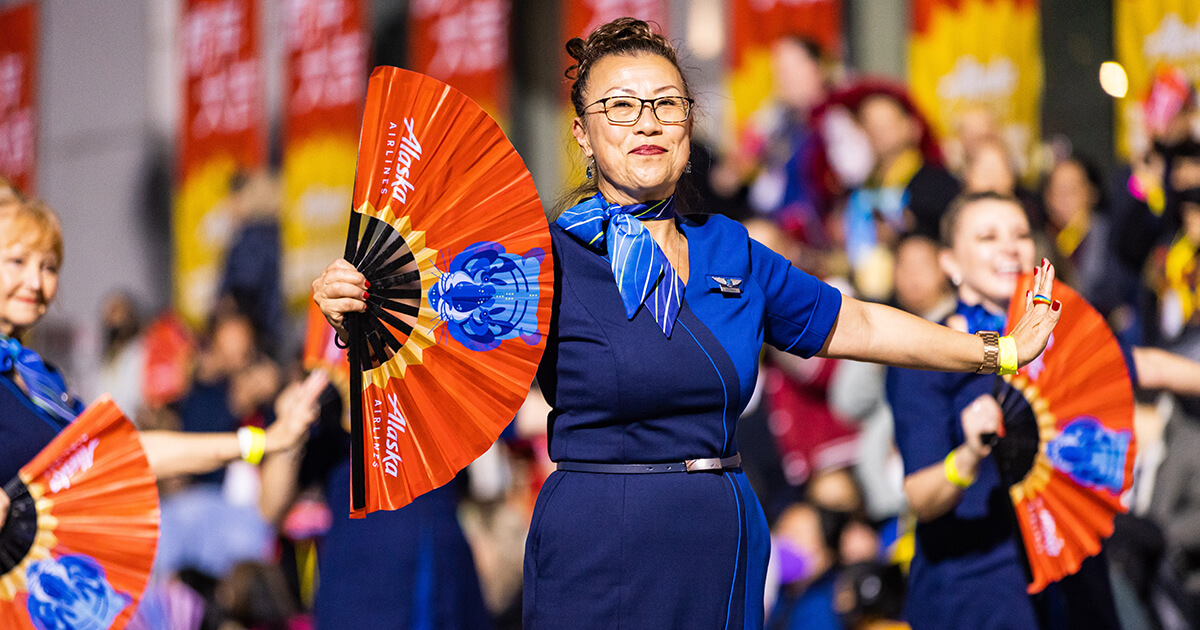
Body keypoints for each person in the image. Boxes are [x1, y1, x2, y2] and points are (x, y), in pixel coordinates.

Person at [312, 19, 1061, 629]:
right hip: (593, 543)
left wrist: (994, 350)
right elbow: (432, 331)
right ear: (581, 134)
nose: (647, 123)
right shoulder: (537, 256)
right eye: (621, 106)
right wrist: (358, 307)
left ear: (690, 122)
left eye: (666, 104)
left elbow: (855, 323)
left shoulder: (732, 246)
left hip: (719, 536)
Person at [0, 195, 326, 531]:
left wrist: (266, 441)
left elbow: (129, 451)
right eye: (17, 262)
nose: (36, 282)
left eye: (48, 267)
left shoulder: (43, 381)